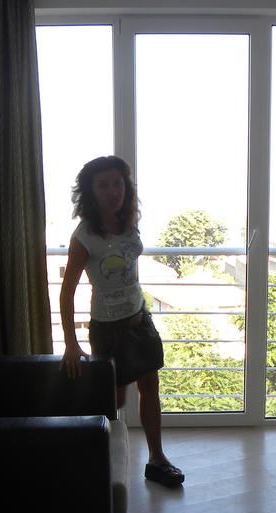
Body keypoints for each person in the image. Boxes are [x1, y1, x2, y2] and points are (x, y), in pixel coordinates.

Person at [59, 155, 185, 488]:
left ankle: (157, 460)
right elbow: (67, 292)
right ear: (91, 192)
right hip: (108, 330)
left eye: (117, 183)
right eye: (103, 185)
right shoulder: (84, 236)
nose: (113, 191)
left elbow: (129, 268)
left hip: (139, 320)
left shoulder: (129, 222)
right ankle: (105, 468)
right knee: (113, 400)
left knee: (150, 387)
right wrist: (71, 343)